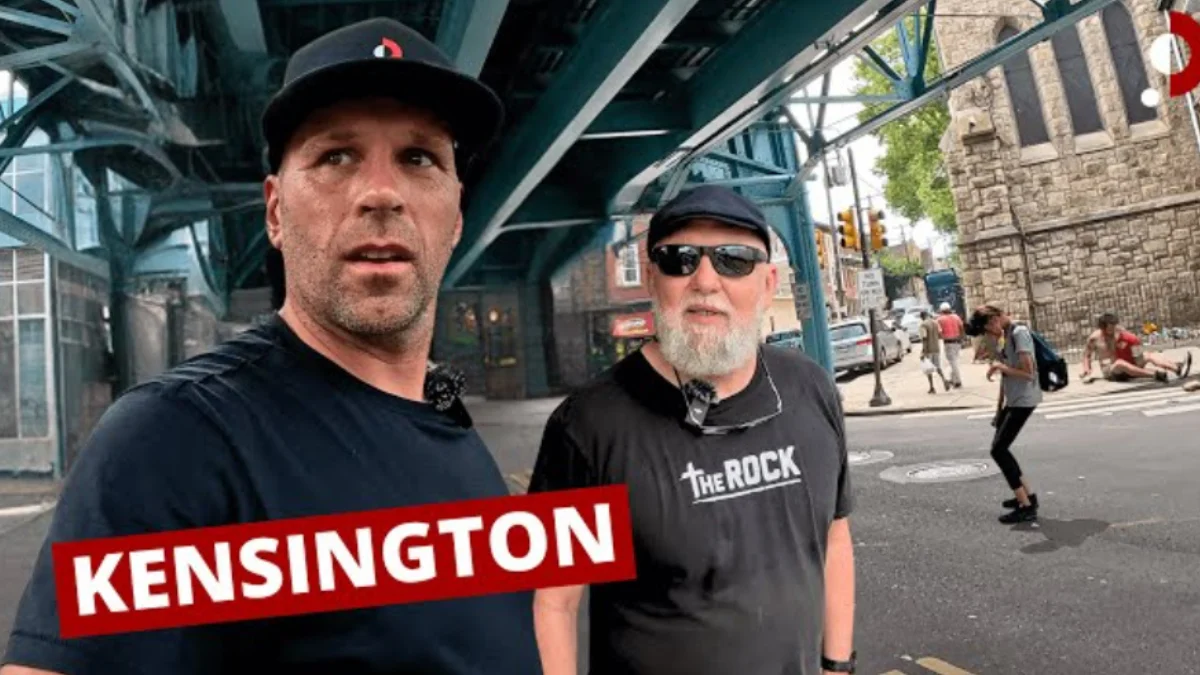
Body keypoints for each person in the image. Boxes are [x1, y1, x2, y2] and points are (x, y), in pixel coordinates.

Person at [1, 18, 544, 675]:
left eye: (419, 157)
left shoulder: (446, 423)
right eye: (336, 156)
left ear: (455, 215)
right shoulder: (177, 444)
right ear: (276, 212)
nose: (380, 193)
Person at [528, 185, 857, 675]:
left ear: (768, 283)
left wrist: (838, 665)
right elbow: (553, 603)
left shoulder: (810, 388)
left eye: (734, 260)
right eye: (680, 258)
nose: (705, 279)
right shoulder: (588, 425)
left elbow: (834, 539)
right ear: (652, 277)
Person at [970, 304, 1041, 524]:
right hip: (1015, 399)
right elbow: (1009, 368)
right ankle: (1027, 496)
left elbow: (1028, 373)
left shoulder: (1019, 333)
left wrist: (1001, 368)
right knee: (1001, 449)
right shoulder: (1008, 333)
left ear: (994, 319)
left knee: (998, 450)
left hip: (1025, 399)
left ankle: (1026, 506)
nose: (990, 334)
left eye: (988, 329)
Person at [1081, 312, 1192, 383]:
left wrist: (1137, 353)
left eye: (1114, 327)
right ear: (1103, 327)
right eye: (1110, 328)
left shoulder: (1119, 331)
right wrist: (1087, 370)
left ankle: (1177, 369)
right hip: (1112, 371)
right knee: (1120, 363)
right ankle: (1155, 374)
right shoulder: (1094, 338)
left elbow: (1134, 341)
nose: (1113, 331)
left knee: (1148, 355)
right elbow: (1087, 355)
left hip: (1128, 362)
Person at [919, 309, 950, 394]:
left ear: (922, 317)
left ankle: (932, 387)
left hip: (928, 349)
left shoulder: (923, 325)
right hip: (936, 348)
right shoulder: (935, 323)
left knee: (928, 369)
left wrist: (923, 351)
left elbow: (924, 338)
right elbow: (940, 334)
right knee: (938, 366)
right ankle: (944, 380)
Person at [935, 302, 965, 388]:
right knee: (954, 361)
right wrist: (962, 338)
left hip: (948, 343)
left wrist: (942, 337)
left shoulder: (940, 319)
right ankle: (953, 379)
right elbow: (961, 328)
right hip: (957, 342)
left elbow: (939, 333)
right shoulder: (956, 317)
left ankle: (958, 381)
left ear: (942, 311)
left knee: (953, 362)